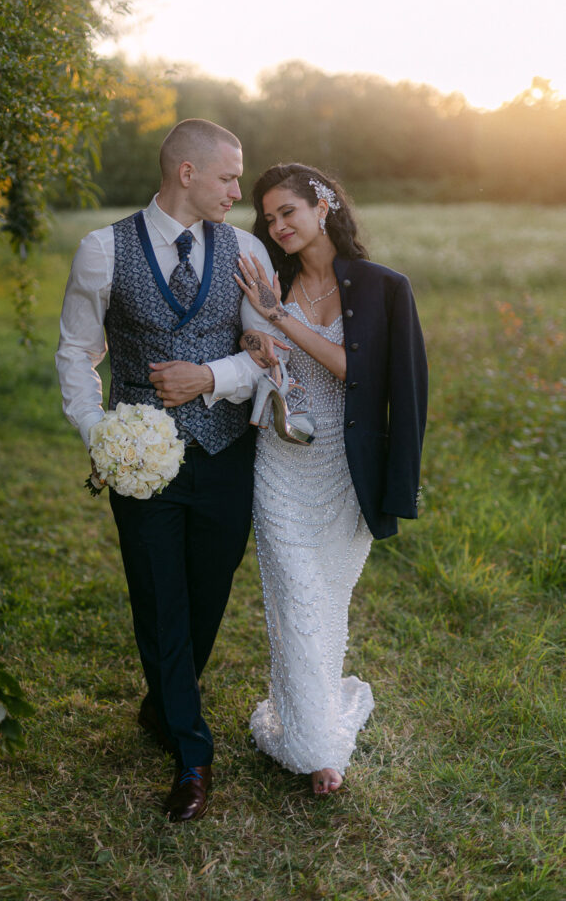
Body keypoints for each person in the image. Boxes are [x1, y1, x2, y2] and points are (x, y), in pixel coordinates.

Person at [55, 119, 279, 821]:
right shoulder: (102, 250)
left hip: (223, 456)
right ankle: (192, 751)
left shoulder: (244, 250)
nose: (238, 191)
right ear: (186, 172)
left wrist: (208, 376)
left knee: (206, 597)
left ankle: (162, 706)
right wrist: (100, 431)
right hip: (140, 467)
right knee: (158, 599)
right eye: (227, 177)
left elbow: (271, 354)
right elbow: (74, 351)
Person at [235, 162, 427, 796]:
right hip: (281, 465)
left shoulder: (383, 288)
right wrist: (257, 343)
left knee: (326, 600)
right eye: (268, 218)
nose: (278, 225)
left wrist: (281, 322)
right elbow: (256, 356)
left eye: (287, 211)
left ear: (324, 207)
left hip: (347, 472)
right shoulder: (271, 281)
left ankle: (306, 722)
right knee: (295, 602)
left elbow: (371, 379)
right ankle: (318, 748)